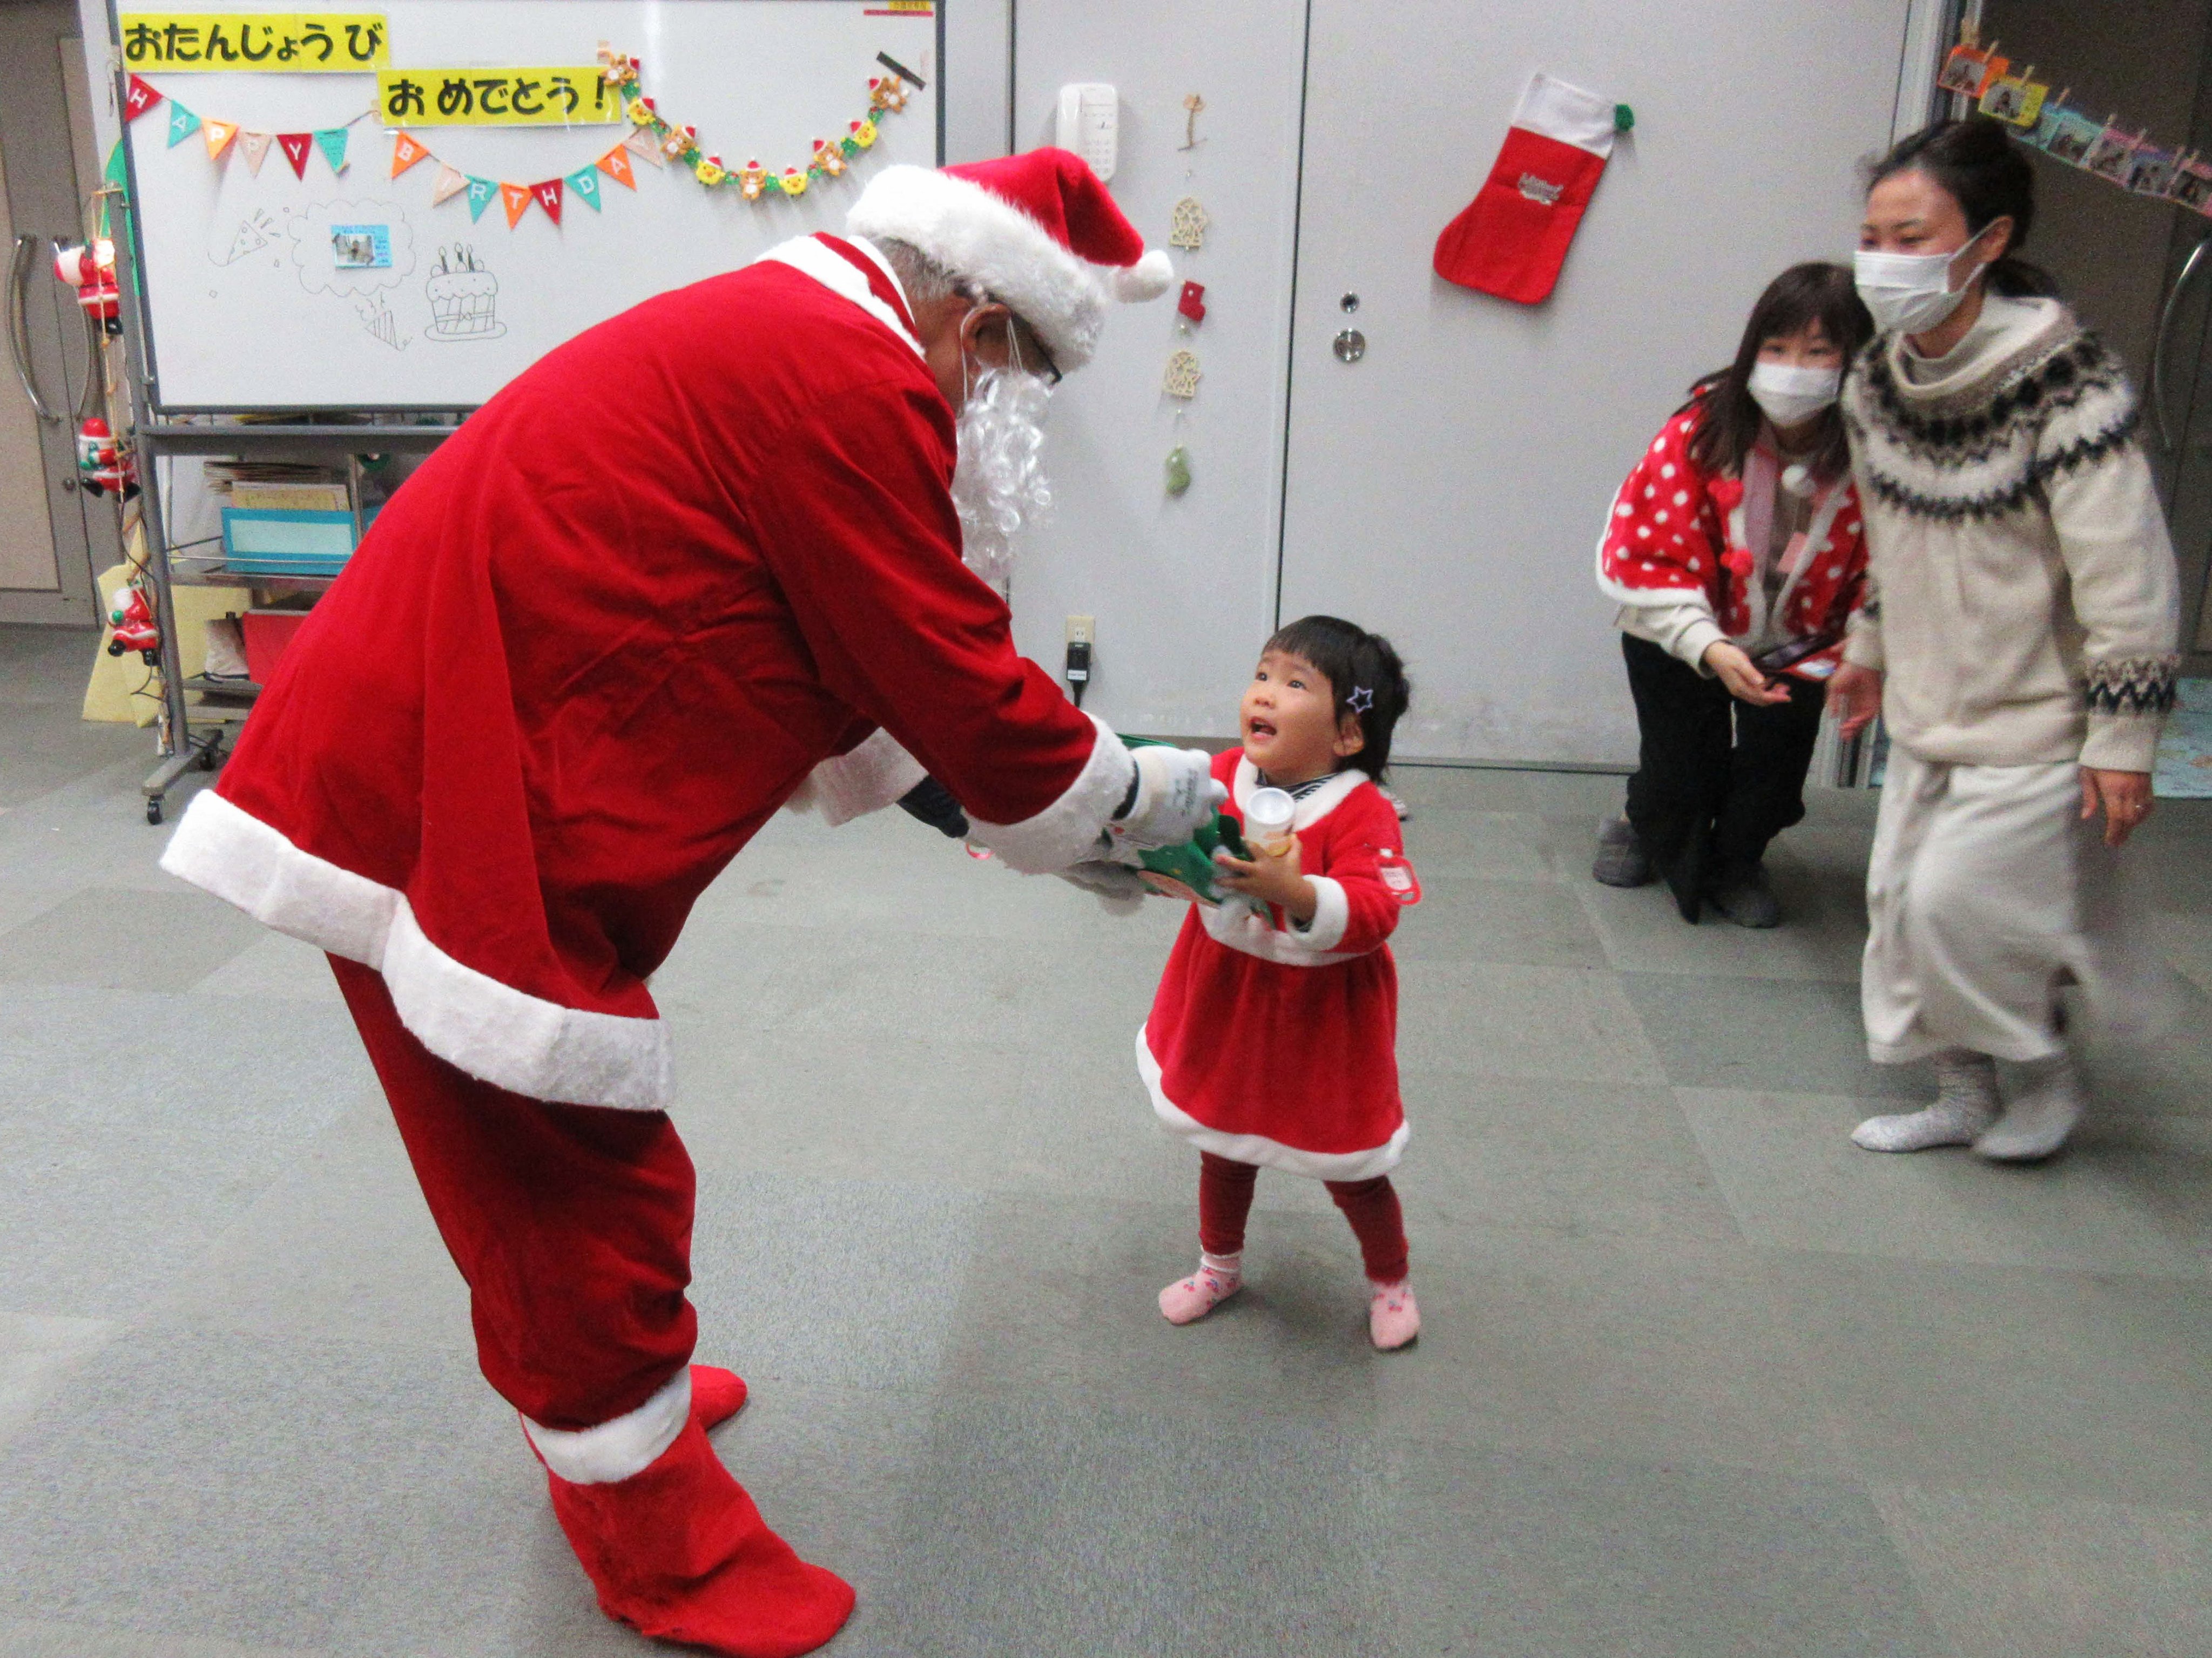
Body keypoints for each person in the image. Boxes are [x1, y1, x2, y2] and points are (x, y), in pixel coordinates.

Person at [157, 150, 1219, 1658]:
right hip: (446, 781)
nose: (998, 409)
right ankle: (649, 1519)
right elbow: (945, 661)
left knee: (531, 1150)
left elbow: (838, 640)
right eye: (1012, 370)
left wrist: (1032, 823)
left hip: (450, 733)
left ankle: (609, 1401)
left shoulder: (801, 330)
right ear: (977, 321)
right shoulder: (850, 376)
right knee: (573, 1165)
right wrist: (1146, 805)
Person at [1831, 118, 2179, 1162]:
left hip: (2040, 716)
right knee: (1900, 908)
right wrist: (1868, 648)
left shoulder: (2063, 377)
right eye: (1873, 237)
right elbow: (1890, 543)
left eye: (1912, 236)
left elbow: (2126, 569)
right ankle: (1964, 1093)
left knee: (1960, 907)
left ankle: (2045, 1070)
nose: (1885, 262)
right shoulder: (1877, 380)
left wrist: (2123, 739)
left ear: (1987, 242)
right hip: (1931, 709)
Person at [1136, 615, 1423, 1351]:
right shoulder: (1228, 772)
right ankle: (1218, 1264)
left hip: (1320, 1016)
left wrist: (1300, 892)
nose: (1265, 692)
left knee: (1348, 1160)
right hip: (1229, 995)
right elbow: (1183, 836)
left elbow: (1378, 905)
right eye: (1263, 673)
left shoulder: (1364, 810)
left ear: (1349, 734)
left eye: (1295, 684)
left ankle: (1390, 1277)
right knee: (1223, 1140)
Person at [1593, 264, 1876, 926]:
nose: (1793, 367)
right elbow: (1646, 551)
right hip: (1679, 631)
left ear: (1851, 359)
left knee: (1773, 776)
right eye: (1775, 348)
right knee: (1677, 772)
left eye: (1817, 351)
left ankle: (1740, 857)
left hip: (1802, 640)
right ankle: (1643, 823)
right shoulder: (1699, 432)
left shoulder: (1877, 447)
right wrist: (1709, 646)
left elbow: (1890, 564)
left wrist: (1867, 647)